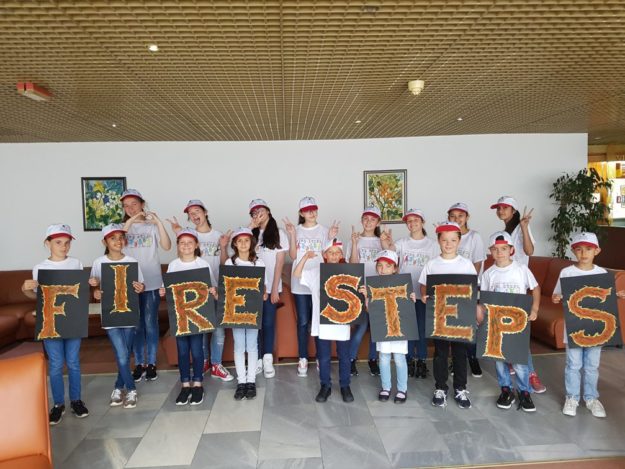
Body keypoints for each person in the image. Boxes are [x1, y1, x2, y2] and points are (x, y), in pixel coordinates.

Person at [21, 224, 89, 425]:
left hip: (73, 320)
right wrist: (25, 288)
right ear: (48, 243)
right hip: (50, 321)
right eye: (58, 242)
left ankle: (76, 400)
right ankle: (58, 404)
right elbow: (36, 297)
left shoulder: (76, 263)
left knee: (73, 362)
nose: (64, 247)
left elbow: (80, 293)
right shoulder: (40, 268)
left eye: (67, 243)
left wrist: (90, 284)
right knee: (56, 363)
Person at [552, 232, 625, 418]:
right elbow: (557, 295)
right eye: (579, 249)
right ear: (573, 251)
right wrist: (557, 297)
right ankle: (572, 397)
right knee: (573, 364)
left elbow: (603, 299)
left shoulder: (602, 274)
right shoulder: (567, 272)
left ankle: (591, 398)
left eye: (588, 249)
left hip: (596, 328)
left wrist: (617, 295)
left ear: (597, 251)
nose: (584, 253)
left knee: (592, 365)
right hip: (574, 328)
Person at [166, 200, 233, 382]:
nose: (194, 215)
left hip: (215, 288)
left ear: (205, 212)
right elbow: (180, 261)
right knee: (200, 329)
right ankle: (202, 362)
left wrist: (224, 246)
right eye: (190, 213)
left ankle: (216, 364)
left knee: (218, 330)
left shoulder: (218, 236)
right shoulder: (189, 235)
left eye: (197, 211)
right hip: (194, 293)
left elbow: (224, 264)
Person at [478, 231, 540, 412]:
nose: (500, 253)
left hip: (518, 322)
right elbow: (485, 299)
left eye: (504, 249)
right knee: (499, 359)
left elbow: (535, 288)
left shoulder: (521, 269)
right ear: (491, 251)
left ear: (511, 250)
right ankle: (506, 389)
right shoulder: (488, 274)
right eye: (495, 249)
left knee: (519, 361)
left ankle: (524, 391)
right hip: (497, 323)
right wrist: (482, 316)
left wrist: (535, 309)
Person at [418, 221, 477, 409]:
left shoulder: (466, 265)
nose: (448, 244)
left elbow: (473, 289)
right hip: (440, 317)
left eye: (453, 240)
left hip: (461, 317)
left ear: (459, 241)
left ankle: (460, 388)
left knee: (460, 353)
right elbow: (423, 285)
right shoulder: (432, 264)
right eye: (444, 240)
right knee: (440, 353)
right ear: (438, 241)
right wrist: (424, 295)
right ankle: (440, 387)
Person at [491, 196, 546, 393]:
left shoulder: (520, 227)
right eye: (499, 208)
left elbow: (529, 251)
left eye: (505, 208)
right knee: (504, 331)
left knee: (519, 335)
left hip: (518, 283)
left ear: (513, 210)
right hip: (502, 281)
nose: (501, 211)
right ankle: (511, 367)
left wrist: (524, 227)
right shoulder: (503, 233)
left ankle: (531, 375)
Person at [89, 224, 145, 409]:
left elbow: (140, 285)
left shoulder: (132, 261)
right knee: (122, 354)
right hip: (110, 314)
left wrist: (140, 287)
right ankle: (131, 389)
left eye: (121, 237)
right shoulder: (98, 263)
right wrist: (95, 291)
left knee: (124, 354)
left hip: (129, 312)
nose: (118, 241)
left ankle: (118, 387)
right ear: (104, 241)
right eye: (113, 238)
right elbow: (95, 289)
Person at [293, 238, 354, 403]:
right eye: (330, 252)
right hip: (322, 322)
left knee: (344, 355)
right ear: (324, 255)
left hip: (342, 321)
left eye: (337, 253)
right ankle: (325, 385)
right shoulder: (316, 272)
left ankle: (345, 385)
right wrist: (305, 257)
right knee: (324, 356)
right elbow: (296, 274)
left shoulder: (347, 272)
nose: (334, 256)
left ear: (341, 255)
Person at [283, 196, 339, 377]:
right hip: (300, 281)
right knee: (303, 321)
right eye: (307, 210)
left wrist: (331, 237)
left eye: (314, 209)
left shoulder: (324, 231)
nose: (311, 213)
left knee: (319, 320)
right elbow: (293, 256)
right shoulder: (296, 230)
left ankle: (321, 357)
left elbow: (330, 254)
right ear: (301, 213)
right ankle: (303, 358)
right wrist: (292, 234)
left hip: (319, 281)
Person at [160, 228, 215, 406]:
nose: (186, 246)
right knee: (182, 351)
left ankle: (197, 383)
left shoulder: (203, 264)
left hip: (197, 316)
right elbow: (167, 287)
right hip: (180, 317)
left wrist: (213, 291)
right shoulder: (173, 265)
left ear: (196, 245)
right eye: (182, 243)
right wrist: (163, 291)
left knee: (197, 350)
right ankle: (185, 385)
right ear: (178, 246)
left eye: (190, 242)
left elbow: (211, 288)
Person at [121, 189, 172, 382]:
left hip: (152, 282)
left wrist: (158, 222)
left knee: (150, 324)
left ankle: (151, 363)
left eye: (134, 204)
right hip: (130, 284)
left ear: (142, 204)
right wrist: (132, 221)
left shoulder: (151, 227)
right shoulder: (121, 227)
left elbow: (167, 246)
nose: (130, 208)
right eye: (126, 206)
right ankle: (139, 363)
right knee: (136, 326)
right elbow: (117, 243)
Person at [392, 208, 439, 379]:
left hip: (424, 294)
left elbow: (437, 267)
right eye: (409, 221)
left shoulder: (432, 244)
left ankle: (422, 359)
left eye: (415, 220)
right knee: (408, 328)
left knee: (422, 328)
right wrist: (385, 242)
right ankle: (409, 359)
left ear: (422, 222)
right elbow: (389, 254)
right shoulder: (402, 242)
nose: (412, 223)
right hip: (405, 292)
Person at [363, 250, 415, 404]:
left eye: (387, 266)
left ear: (395, 268)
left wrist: (411, 299)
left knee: (399, 358)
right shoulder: (373, 286)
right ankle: (386, 387)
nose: (383, 269)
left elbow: (407, 308)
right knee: (384, 357)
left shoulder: (403, 284)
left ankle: (402, 389)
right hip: (383, 327)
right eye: (380, 265)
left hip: (398, 326)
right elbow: (369, 311)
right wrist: (367, 297)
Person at [221, 227, 267, 400]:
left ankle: (251, 380)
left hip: (253, 310)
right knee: (239, 345)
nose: (243, 243)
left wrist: (264, 293)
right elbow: (226, 286)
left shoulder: (258, 263)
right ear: (234, 244)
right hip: (235, 310)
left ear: (251, 243)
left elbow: (264, 285)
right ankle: (241, 381)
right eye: (239, 241)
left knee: (252, 345)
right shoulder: (230, 263)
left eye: (246, 240)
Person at [346, 206, 390, 377]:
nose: (369, 222)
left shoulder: (381, 240)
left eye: (373, 219)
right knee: (361, 326)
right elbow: (353, 265)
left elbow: (392, 265)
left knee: (376, 327)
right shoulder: (354, 239)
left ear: (378, 222)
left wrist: (385, 243)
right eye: (366, 218)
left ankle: (373, 359)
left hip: (378, 288)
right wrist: (355, 244)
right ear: (361, 220)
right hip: (359, 287)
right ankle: (351, 359)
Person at [249, 199, 289, 379]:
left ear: (268, 212)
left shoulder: (279, 233)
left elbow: (280, 262)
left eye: (261, 210)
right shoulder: (250, 233)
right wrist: (250, 227)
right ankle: (257, 359)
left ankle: (267, 359)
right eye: (254, 212)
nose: (258, 214)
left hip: (272, 285)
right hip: (252, 287)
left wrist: (274, 289)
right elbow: (239, 251)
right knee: (254, 324)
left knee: (267, 323)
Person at [447, 202, 486, 378]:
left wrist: (468, 284)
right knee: (453, 326)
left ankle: (472, 358)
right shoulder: (447, 235)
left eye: (460, 216)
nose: (457, 219)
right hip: (450, 289)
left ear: (467, 217)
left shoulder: (474, 237)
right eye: (453, 216)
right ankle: (456, 360)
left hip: (468, 288)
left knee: (470, 325)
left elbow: (477, 263)